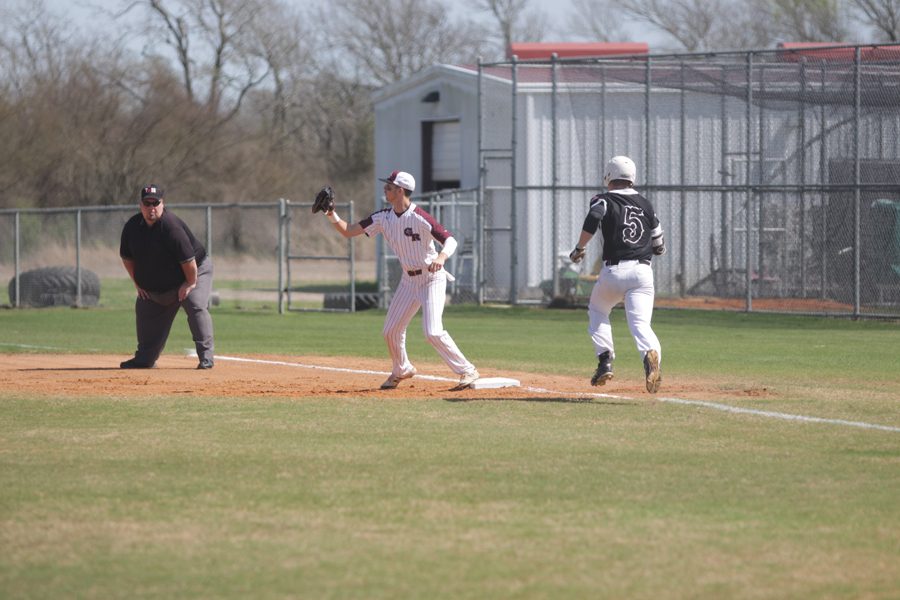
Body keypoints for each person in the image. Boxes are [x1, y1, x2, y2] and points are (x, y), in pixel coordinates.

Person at [322, 170, 480, 390]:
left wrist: (442, 257)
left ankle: (467, 370)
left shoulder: (420, 217)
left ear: (400, 190)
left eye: (389, 186)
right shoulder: (382, 217)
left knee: (432, 331)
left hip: (431, 278)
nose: (385, 189)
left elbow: (450, 240)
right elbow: (349, 231)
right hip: (408, 281)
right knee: (391, 331)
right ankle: (402, 368)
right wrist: (331, 214)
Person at [569, 156, 665, 393]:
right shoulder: (645, 203)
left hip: (615, 270)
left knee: (598, 310)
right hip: (643, 272)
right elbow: (659, 243)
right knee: (641, 324)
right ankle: (650, 357)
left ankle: (605, 360)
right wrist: (652, 245)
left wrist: (580, 248)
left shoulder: (603, 199)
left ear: (609, 176)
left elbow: (594, 217)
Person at [119, 184, 215, 370]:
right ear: (141, 205)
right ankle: (145, 359)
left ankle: (206, 358)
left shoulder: (171, 228)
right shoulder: (132, 227)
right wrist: (138, 284)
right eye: (147, 203)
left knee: (195, 305)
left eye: (156, 203)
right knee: (144, 308)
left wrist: (189, 283)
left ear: (163, 204)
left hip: (195, 272)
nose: (151, 207)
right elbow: (127, 258)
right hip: (159, 283)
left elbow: (189, 262)